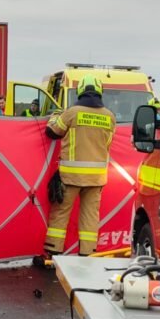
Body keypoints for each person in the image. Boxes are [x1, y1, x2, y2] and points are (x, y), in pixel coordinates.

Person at [43, 74, 116, 256]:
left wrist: (55, 116)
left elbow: (52, 132)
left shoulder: (72, 112)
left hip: (71, 177)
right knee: (90, 217)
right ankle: (87, 253)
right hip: (97, 178)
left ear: (81, 91)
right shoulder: (110, 116)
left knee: (61, 214)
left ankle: (54, 252)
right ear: (100, 92)